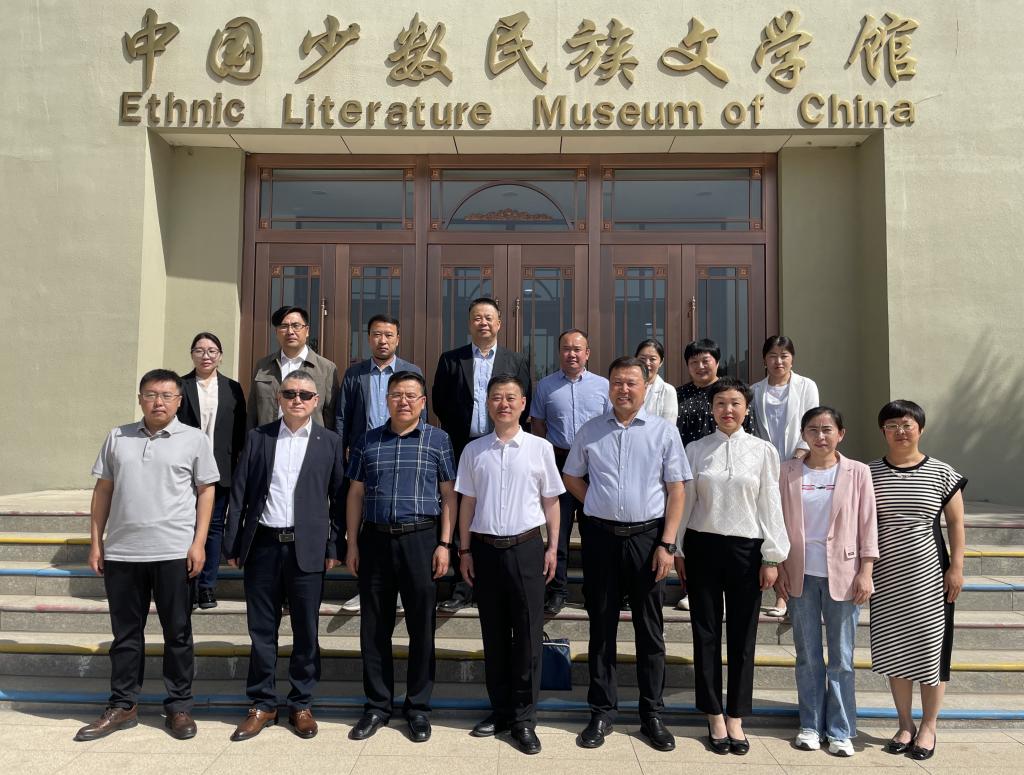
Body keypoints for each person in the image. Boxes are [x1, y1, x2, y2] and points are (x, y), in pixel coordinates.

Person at [75, 369, 218, 742]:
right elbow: (103, 491)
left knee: (178, 633)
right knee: (125, 635)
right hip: (123, 552)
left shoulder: (195, 439)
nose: (159, 402)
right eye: (151, 394)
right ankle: (123, 704)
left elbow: (206, 491)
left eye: (167, 396)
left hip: (174, 552)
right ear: (140, 398)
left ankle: (179, 706)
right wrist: (96, 542)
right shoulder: (118, 437)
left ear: (179, 401)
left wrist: (199, 542)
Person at [563, 356, 690, 753]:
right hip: (601, 538)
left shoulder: (663, 431)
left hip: (648, 540)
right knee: (601, 627)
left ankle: (652, 713)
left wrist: (667, 544)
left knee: (649, 630)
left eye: (631, 382)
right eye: (617, 382)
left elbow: (677, 490)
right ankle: (602, 711)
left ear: (645, 387)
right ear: (609, 387)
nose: (623, 389)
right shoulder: (590, 430)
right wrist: (594, 500)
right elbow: (571, 475)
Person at [225, 370, 345, 742]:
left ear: (316, 401)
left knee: (306, 630)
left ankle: (301, 703)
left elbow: (338, 500)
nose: (297, 400)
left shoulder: (330, 442)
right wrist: (233, 542)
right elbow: (240, 493)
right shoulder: (259, 437)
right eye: (290, 393)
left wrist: (333, 546)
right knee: (262, 630)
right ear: (279, 397)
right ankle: (262, 703)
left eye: (305, 395)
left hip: (306, 548)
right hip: (263, 545)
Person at [675, 376, 788, 756]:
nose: (728, 410)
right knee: (705, 633)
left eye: (735, 403)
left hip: (746, 550)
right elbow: (686, 500)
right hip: (702, 546)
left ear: (746, 409)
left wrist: (772, 556)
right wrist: (677, 548)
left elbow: (770, 503)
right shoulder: (695, 449)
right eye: (721, 403)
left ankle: (736, 715)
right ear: (711, 408)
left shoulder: (763, 451)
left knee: (742, 636)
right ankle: (713, 714)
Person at [345, 371, 457, 743]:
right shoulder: (367, 440)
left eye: (411, 395)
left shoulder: (438, 440)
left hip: (421, 540)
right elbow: (355, 494)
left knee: (421, 627)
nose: (403, 401)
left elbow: (449, 495)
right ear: (387, 400)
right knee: (374, 628)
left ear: (423, 402)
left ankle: (418, 707)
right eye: (396, 395)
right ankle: (377, 706)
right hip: (375, 540)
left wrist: (444, 544)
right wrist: (352, 544)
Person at [457, 374, 562, 755]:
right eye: (497, 398)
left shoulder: (540, 448)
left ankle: (524, 718)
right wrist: (464, 551)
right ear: (487, 404)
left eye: (511, 398)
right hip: (485, 551)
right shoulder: (474, 451)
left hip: (526, 548)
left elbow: (551, 501)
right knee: (494, 635)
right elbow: (467, 503)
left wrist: (553, 548)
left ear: (523, 404)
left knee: (529, 637)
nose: (504, 404)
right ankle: (500, 711)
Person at [775, 407, 877, 757]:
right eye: (813, 430)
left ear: (840, 434)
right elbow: (776, 522)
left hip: (845, 575)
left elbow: (868, 523)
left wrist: (866, 570)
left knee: (842, 658)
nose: (820, 436)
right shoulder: (787, 471)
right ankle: (810, 725)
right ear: (803, 435)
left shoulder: (857, 472)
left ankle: (840, 730)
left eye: (827, 429)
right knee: (807, 656)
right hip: (800, 573)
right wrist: (778, 566)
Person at [869, 399, 966, 762]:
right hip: (886, 575)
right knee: (894, 649)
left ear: (920, 429)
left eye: (907, 425)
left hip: (929, 575)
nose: (900, 431)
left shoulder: (942, 472)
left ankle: (929, 726)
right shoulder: (869, 472)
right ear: (883, 431)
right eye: (892, 425)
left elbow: (955, 523)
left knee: (930, 650)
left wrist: (956, 567)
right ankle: (905, 723)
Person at [432, 297, 532, 613]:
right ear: (469, 323)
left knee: (495, 510)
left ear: (499, 323)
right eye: (477, 317)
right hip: (462, 446)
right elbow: (439, 402)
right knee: (461, 510)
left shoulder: (515, 360)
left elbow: (523, 402)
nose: (483, 323)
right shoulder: (451, 360)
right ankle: (461, 587)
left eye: (489, 317)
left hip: (500, 447)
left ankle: (493, 583)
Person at [336, 314, 422, 614]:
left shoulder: (412, 371)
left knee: (396, 522)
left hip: (401, 453)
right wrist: (342, 453)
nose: (382, 340)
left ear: (398, 339)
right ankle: (364, 588)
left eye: (388, 335)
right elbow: (342, 417)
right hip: (366, 454)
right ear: (369, 338)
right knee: (363, 523)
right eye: (376, 334)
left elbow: (419, 415)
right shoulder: (355, 374)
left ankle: (398, 592)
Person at [530, 328, 611, 614]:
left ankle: (594, 592)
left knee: (594, 533)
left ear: (587, 353)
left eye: (577, 349)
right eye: (566, 348)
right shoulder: (545, 386)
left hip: (594, 468)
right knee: (558, 532)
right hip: (560, 464)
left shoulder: (603, 386)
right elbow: (538, 424)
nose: (572, 354)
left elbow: (611, 425)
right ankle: (558, 592)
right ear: (559, 353)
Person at [673, 338, 755, 612]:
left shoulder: (731, 393)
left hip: (729, 470)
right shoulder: (678, 395)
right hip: (690, 464)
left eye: (705, 360)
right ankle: (691, 589)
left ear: (717, 362)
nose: (700, 366)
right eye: (693, 361)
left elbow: (748, 432)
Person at [751, 335, 820, 618]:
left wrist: (798, 457)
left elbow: (812, 423)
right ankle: (780, 595)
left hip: (797, 465)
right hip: (765, 468)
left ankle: (792, 597)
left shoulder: (806, 386)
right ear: (764, 359)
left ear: (792, 358)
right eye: (772, 355)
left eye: (784, 355)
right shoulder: (755, 390)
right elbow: (754, 429)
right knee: (771, 529)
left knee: (793, 529)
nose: (778, 361)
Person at [177, 332, 247, 610]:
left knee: (214, 526)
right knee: (187, 526)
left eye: (212, 351)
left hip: (220, 469)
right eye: (199, 350)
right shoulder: (180, 386)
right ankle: (186, 584)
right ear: (191, 354)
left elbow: (240, 431)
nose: (206, 356)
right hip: (184, 468)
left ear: (220, 356)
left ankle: (206, 586)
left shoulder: (232, 388)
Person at [248, 305, 339, 430]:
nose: (290, 331)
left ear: (307, 331)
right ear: (276, 332)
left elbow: (331, 414)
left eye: (296, 326)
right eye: (284, 326)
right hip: (268, 437)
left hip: (310, 439)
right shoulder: (263, 366)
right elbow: (252, 411)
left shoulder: (326, 368)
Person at [635, 339, 678, 425]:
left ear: (661, 362)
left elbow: (669, 426)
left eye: (652, 359)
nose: (647, 363)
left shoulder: (667, 390)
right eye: (642, 358)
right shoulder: (627, 387)